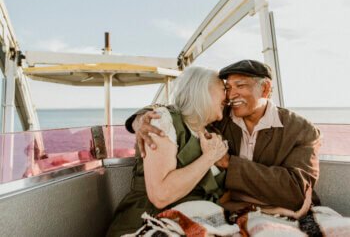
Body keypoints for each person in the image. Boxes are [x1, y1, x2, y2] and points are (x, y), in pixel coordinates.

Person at [126, 59, 321, 214]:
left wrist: (230, 163)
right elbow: (183, 109)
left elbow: (296, 190)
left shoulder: (302, 130)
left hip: (250, 206)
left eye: (240, 85)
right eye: (228, 88)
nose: (230, 95)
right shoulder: (219, 119)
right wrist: (141, 118)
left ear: (265, 89)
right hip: (220, 208)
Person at [106, 66, 229, 236]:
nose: (228, 96)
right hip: (152, 221)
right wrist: (208, 158)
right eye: (223, 89)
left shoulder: (215, 134)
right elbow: (160, 195)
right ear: (201, 91)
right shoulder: (162, 121)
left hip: (203, 222)